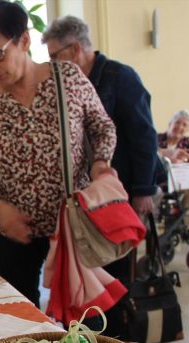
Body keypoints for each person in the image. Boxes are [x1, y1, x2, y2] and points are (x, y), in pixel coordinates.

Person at [0, 1, 116, 307]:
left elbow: (103, 127)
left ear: (24, 40)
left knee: (84, 314)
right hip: (13, 231)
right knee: (23, 315)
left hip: (73, 224)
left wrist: (101, 164)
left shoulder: (68, 79)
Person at [42, 16, 157, 218]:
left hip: (121, 185)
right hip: (88, 191)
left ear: (75, 49)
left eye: (54, 57)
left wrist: (143, 189)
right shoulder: (65, 86)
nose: (51, 65)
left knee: (117, 248)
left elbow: (143, 135)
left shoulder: (120, 76)